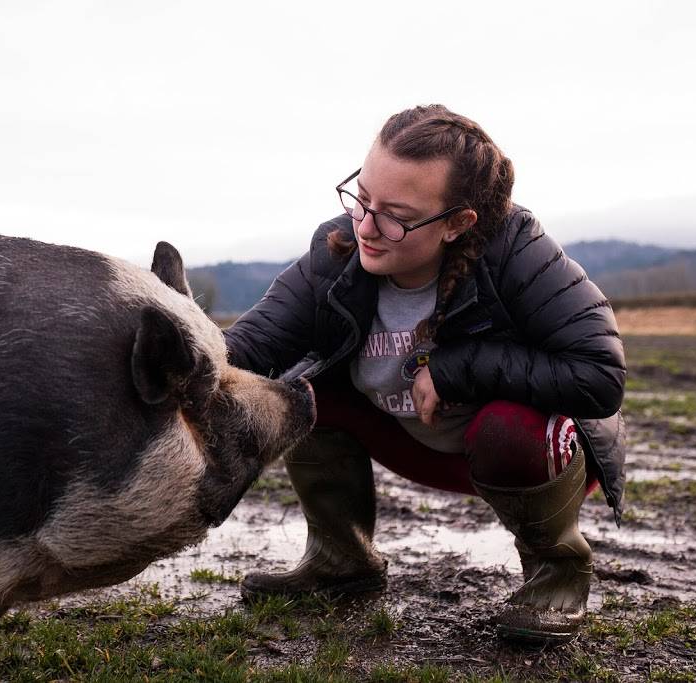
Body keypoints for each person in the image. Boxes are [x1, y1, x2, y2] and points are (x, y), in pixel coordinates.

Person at [223, 104, 626, 644]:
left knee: (508, 427)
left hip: (526, 454)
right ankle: (342, 561)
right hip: (412, 440)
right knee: (300, 388)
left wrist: (457, 369)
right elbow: (252, 343)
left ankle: (557, 573)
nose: (365, 227)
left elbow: (600, 376)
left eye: (396, 215)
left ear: (459, 222)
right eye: (362, 199)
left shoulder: (518, 250)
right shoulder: (337, 246)